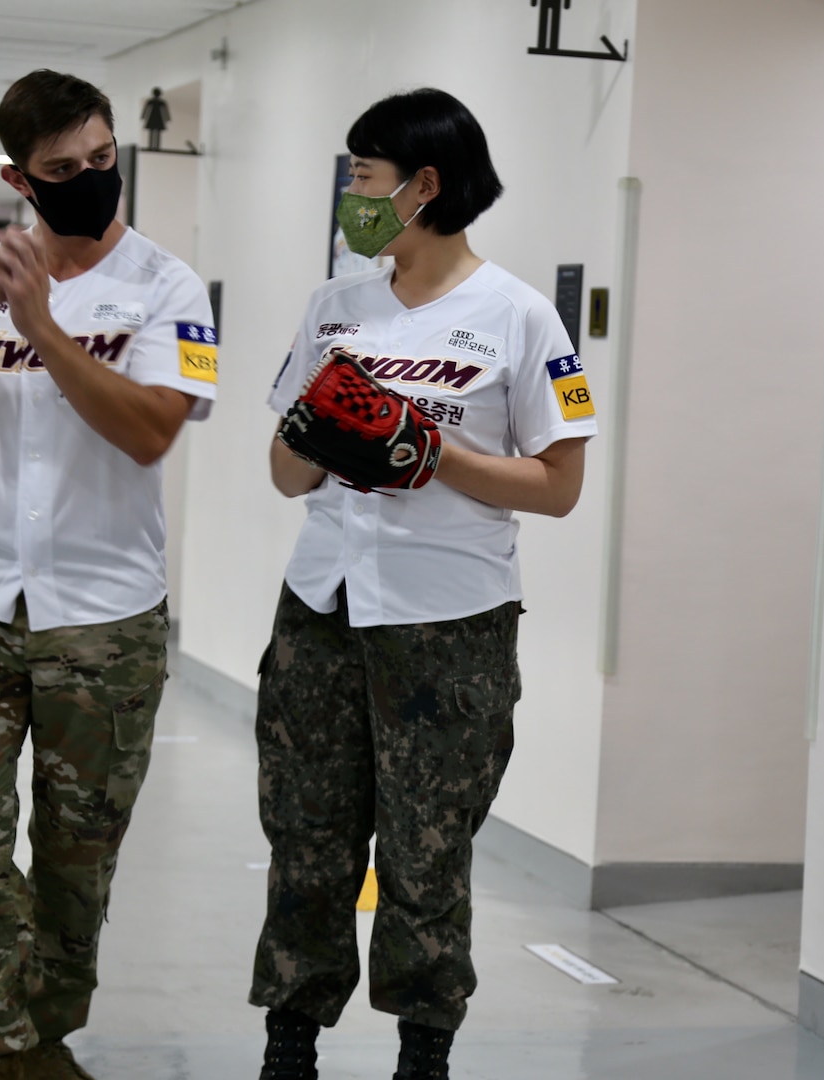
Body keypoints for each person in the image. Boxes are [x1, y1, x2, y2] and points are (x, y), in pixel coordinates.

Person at [252, 88, 598, 1080]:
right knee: (306, 840)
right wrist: (317, 429)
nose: (349, 198)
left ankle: (424, 1051)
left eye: (361, 177)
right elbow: (282, 474)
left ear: (423, 185)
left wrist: (422, 446)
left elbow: (560, 488)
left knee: (426, 852)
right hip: (322, 608)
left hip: (449, 626)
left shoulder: (523, 318)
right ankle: (290, 1041)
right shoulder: (334, 306)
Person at [0, 69, 218, 1080]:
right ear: (18, 177)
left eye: (104, 160)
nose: (90, 180)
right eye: (63, 170)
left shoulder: (170, 286)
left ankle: (46, 1038)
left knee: (79, 865)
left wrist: (43, 330)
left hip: (103, 620)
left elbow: (150, 430)